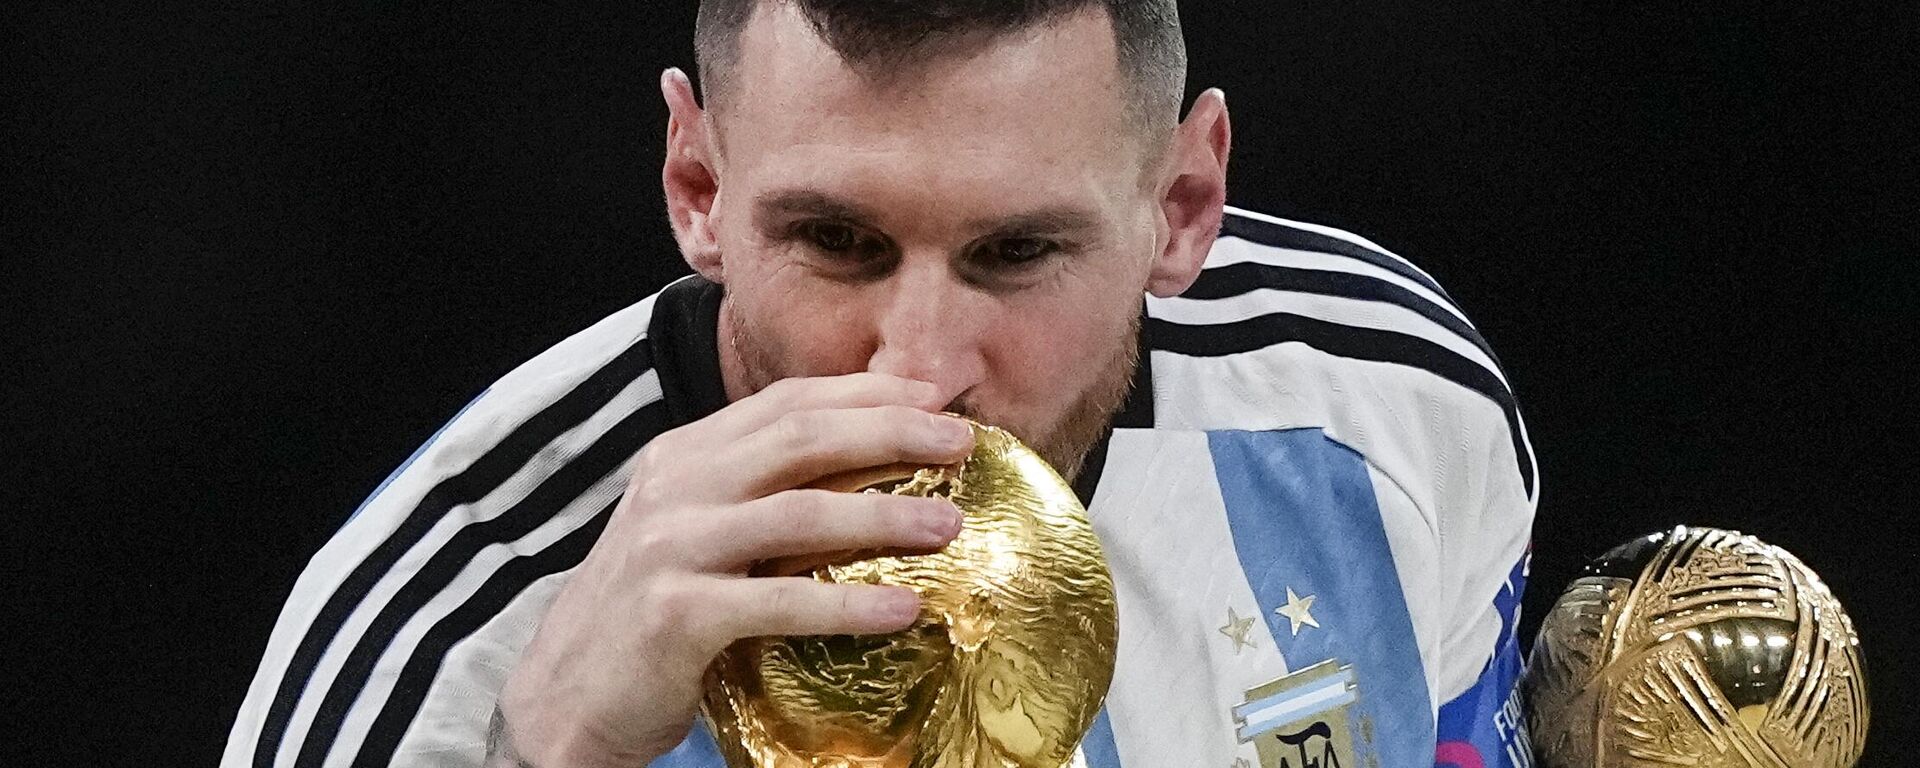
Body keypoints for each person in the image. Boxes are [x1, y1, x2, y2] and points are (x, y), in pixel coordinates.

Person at [223, 1, 1537, 766]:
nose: (916, 366)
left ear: (1182, 207)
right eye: (837, 243)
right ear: (698, 188)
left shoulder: (1387, 405)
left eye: (1016, 252)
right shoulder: (447, 631)